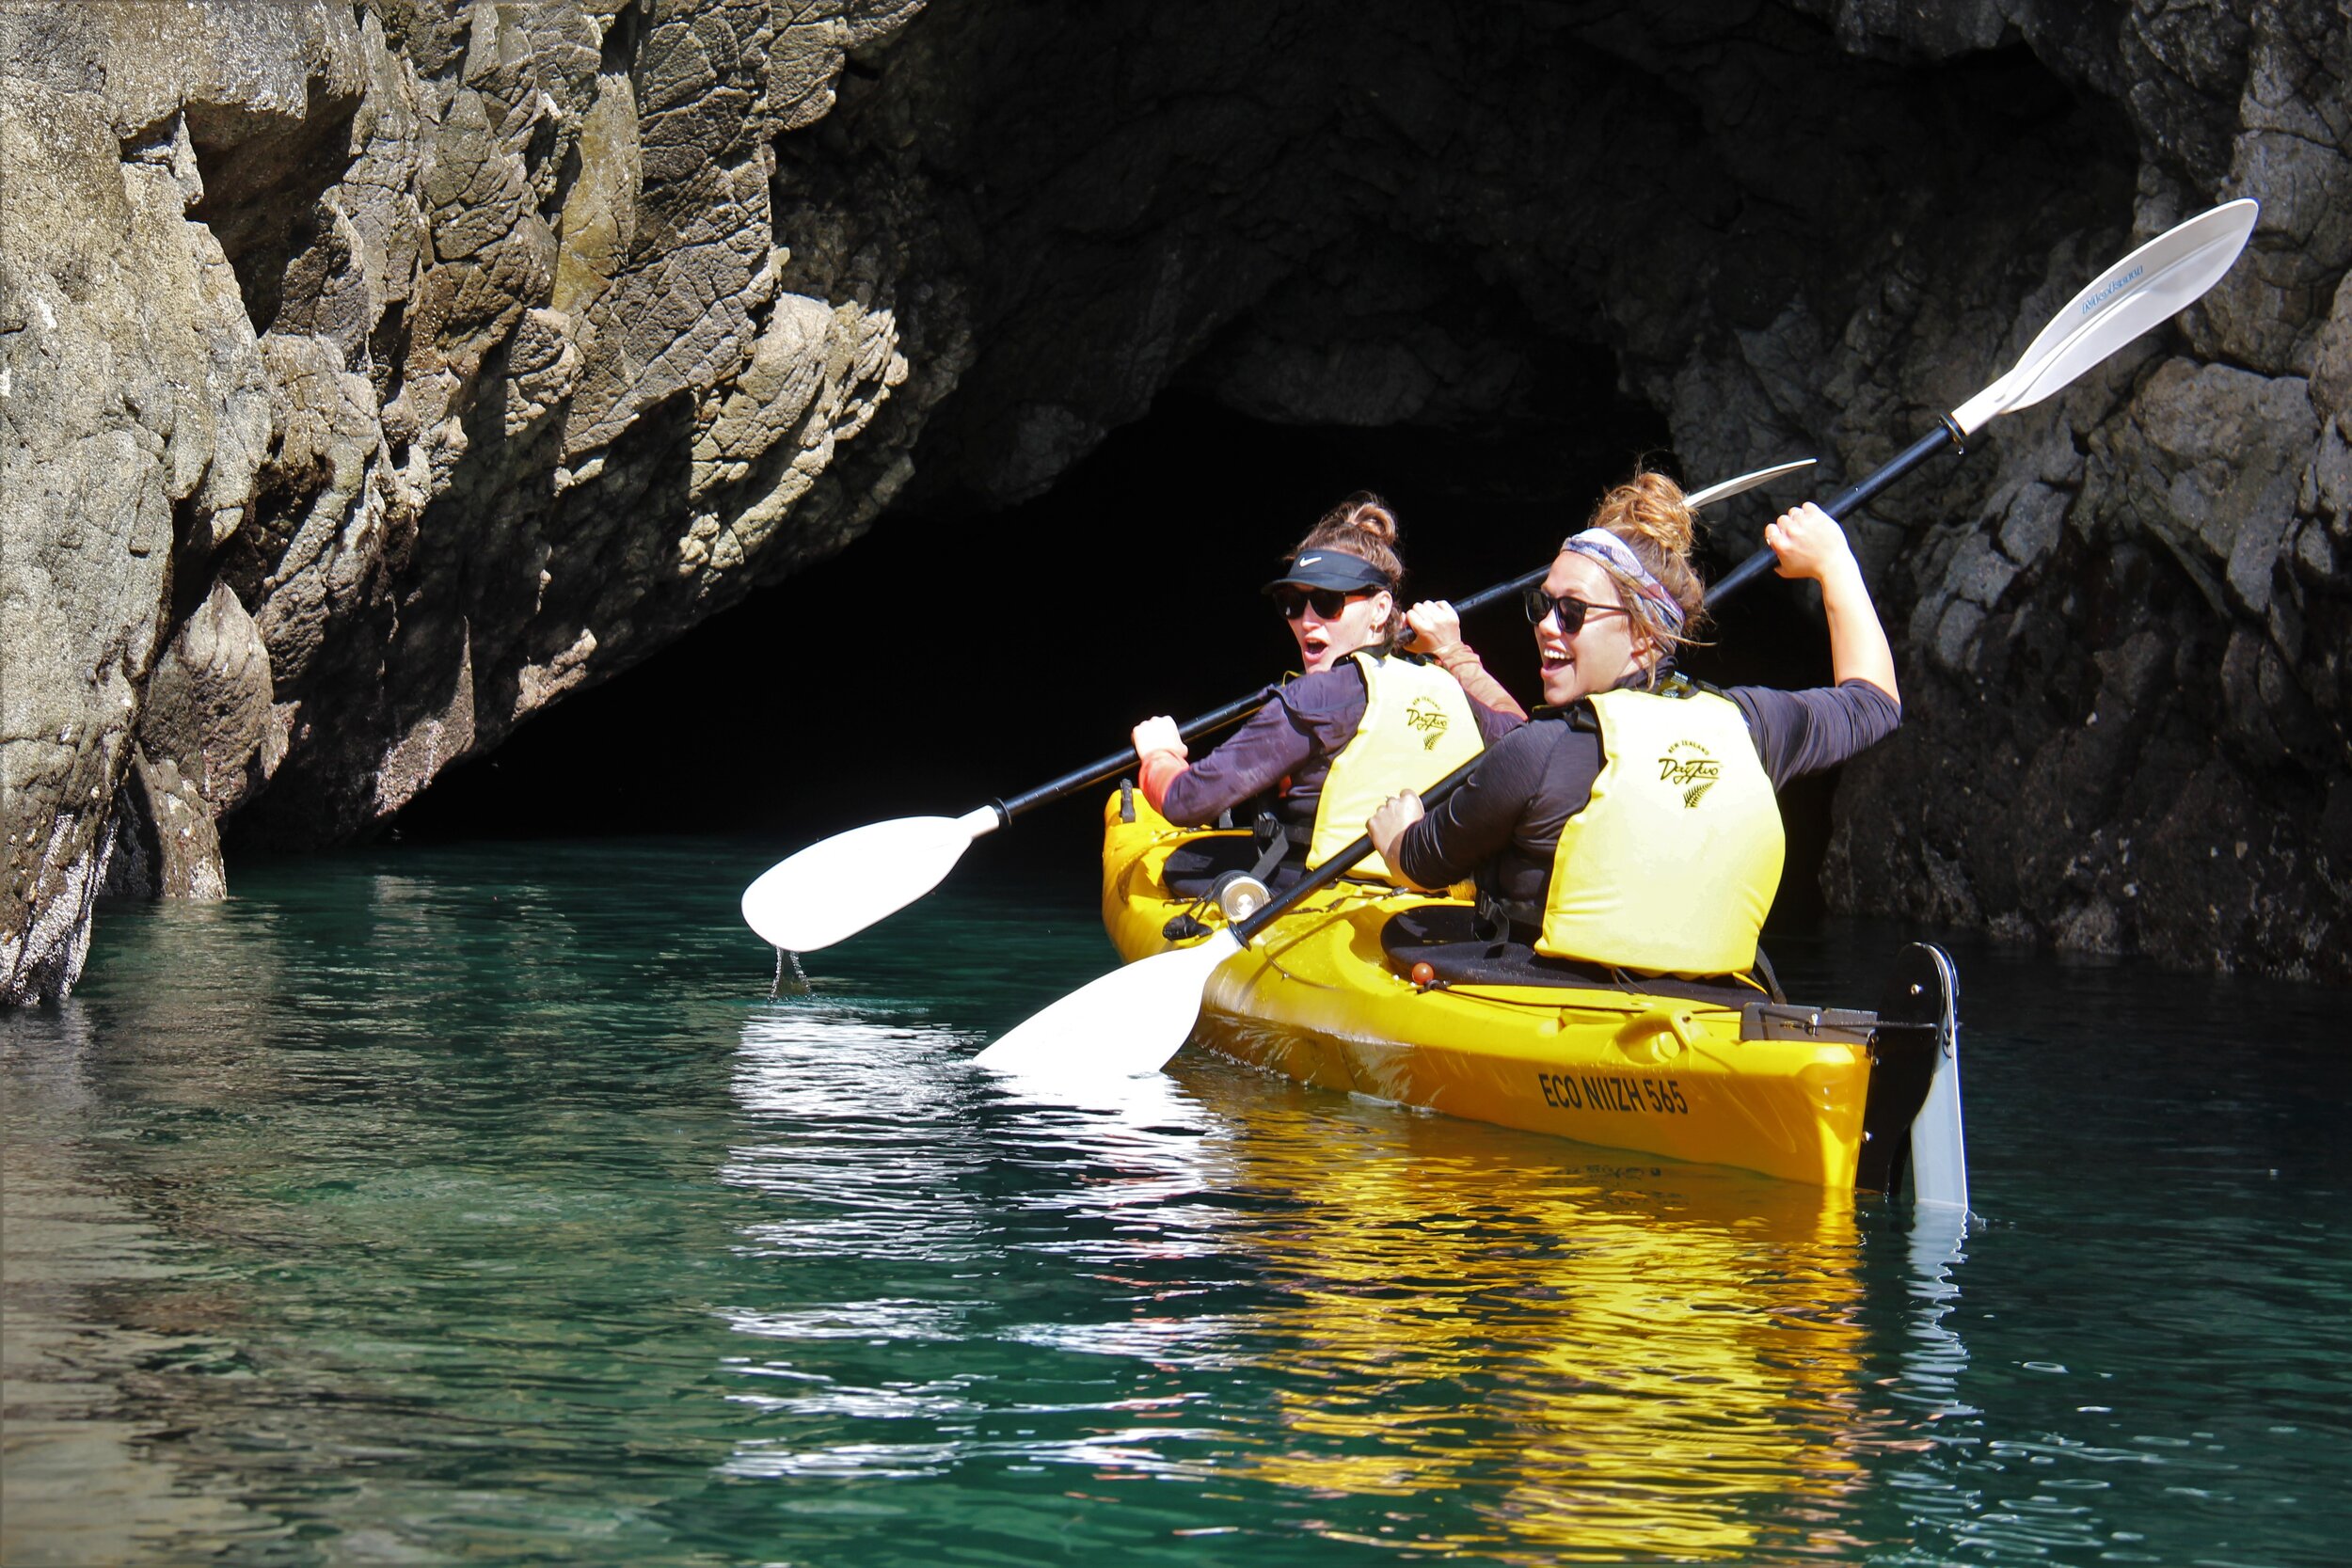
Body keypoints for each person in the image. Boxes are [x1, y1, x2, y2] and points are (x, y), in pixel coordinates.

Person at [1365, 472, 1899, 978]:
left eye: (1572, 612)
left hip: (1549, 1003)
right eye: (1541, 605)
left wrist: (1398, 835)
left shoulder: (1538, 751)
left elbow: (1421, 864)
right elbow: (1875, 702)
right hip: (1705, 1010)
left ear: (1644, 636)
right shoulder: (1751, 727)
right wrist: (1835, 564)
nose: (1546, 627)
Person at [1130, 495, 1524, 884]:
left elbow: (1186, 801)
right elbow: (1526, 742)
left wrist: (1159, 755)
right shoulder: (1448, 687)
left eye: (1327, 601)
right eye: (1292, 603)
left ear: (1381, 609)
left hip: (1316, 892)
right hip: (1426, 895)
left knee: (1186, 863)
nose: (1306, 620)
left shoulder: (1312, 700)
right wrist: (1454, 652)